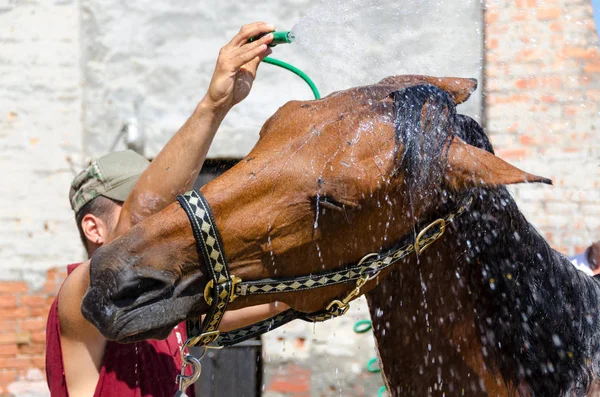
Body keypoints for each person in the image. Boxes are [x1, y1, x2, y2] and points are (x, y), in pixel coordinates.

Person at [45, 23, 288, 397]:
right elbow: (137, 225)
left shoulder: (164, 306)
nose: (161, 220)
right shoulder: (80, 295)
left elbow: (265, 300)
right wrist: (214, 106)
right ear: (94, 229)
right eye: (139, 198)